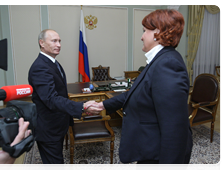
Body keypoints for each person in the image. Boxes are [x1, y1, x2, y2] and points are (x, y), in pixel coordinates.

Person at [89, 9, 193, 170]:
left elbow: (174, 130)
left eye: (145, 31)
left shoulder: (168, 64)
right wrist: (103, 105)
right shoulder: (159, 60)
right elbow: (136, 92)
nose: (141, 36)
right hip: (151, 150)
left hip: (160, 156)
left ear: (157, 32)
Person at [28, 29, 101, 170]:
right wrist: (82, 106)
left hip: (57, 125)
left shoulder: (53, 63)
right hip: (48, 129)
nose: (59, 44)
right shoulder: (40, 67)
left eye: (59, 41)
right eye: (54, 41)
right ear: (41, 43)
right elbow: (51, 99)